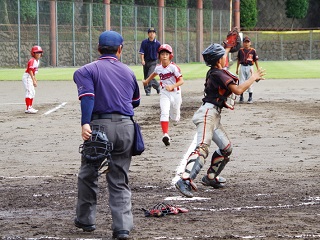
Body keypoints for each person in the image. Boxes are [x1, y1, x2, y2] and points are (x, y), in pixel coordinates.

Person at [73, 30, 140, 240]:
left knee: (89, 173)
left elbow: (88, 98)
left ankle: (86, 219)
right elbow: (135, 101)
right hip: (127, 127)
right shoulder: (129, 72)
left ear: (98, 48)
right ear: (120, 50)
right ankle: (122, 227)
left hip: (99, 127)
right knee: (119, 178)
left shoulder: (86, 70)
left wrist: (85, 123)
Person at [175, 43, 265, 198]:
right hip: (207, 115)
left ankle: (210, 177)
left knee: (226, 148)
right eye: (223, 56)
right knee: (202, 147)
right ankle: (185, 180)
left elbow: (224, 80)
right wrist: (253, 77)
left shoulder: (216, 71)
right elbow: (238, 90)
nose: (226, 58)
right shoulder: (217, 73)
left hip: (213, 116)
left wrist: (227, 46)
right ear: (218, 59)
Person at [142, 44, 184, 146]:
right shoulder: (158, 68)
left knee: (175, 117)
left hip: (176, 93)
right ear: (159, 56)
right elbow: (154, 74)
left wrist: (173, 86)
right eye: (162, 54)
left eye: (166, 54)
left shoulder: (174, 68)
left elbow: (181, 81)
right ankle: (165, 134)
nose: (164, 56)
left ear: (170, 56)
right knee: (164, 112)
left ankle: (174, 116)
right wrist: (147, 81)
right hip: (164, 93)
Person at [236, 36, 259, 104]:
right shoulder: (240, 50)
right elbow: (238, 60)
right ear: (243, 43)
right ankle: (241, 97)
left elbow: (256, 60)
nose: (246, 44)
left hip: (250, 67)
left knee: (250, 81)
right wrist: (237, 68)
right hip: (242, 66)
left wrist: (257, 69)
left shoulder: (253, 51)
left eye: (248, 42)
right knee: (241, 82)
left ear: (250, 43)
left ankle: (250, 97)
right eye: (245, 42)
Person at [139, 27, 161, 96]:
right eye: (150, 32)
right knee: (146, 77)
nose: (152, 34)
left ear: (155, 34)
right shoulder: (144, 42)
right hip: (146, 61)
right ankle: (157, 86)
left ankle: (148, 90)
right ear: (148, 34)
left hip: (153, 62)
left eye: (153, 33)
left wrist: (161, 62)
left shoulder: (157, 43)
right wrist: (142, 60)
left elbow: (160, 53)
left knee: (149, 75)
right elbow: (142, 52)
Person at [22, 45, 43, 114]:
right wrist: (33, 80)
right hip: (28, 77)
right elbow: (30, 71)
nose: (38, 54)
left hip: (30, 77)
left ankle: (30, 107)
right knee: (29, 91)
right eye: (37, 53)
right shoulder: (32, 60)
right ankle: (28, 108)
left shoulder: (37, 61)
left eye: (39, 53)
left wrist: (34, 79)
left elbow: (34, 72)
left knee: (32, 92)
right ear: (33, 53)